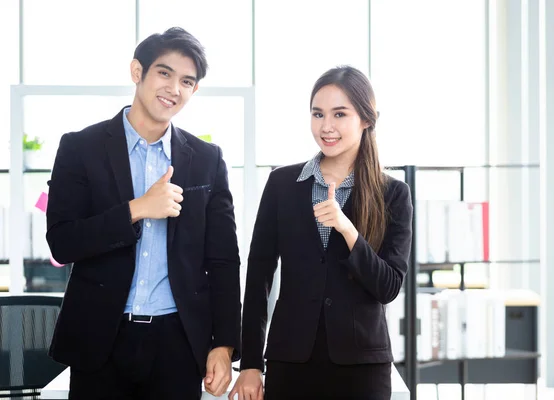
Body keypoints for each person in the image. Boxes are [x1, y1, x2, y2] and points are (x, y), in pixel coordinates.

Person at [46, 27, 241, 400]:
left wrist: (225, 343)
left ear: (194, 90)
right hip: (101, 339)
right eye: (164, 73)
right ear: (138, 71)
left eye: (187, 81)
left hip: (178, 342)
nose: (174, 89)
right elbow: (62, 242)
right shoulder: (79, 148)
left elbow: (223, 260)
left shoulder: (206, 160)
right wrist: (137, 210)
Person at [230, 66, 413, 400]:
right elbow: (258, 279)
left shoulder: (393, 194)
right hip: (291, 362)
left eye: (339, 114)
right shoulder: (282, 184)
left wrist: (347, 229)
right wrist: (251, 364)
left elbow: (388, 286)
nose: (326, 126)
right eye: (318, 114)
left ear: (366, 119)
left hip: (361, 368)